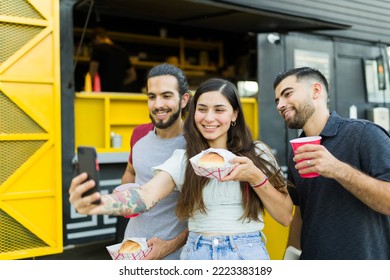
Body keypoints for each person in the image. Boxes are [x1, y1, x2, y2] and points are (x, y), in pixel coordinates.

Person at [69, 78, 293, 260]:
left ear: (234, 114)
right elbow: (146, 195)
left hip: (246, 252)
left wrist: (255, 177)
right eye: (202, 109)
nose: (209, 118)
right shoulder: (185, 159)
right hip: (197, 253)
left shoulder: (258, 153)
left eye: (219, 110)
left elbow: (284, 216)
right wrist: (100, 203)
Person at [273, 66, 390, 259]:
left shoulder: (364, 135)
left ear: (316, 90)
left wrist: (337, 169)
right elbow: (301, 215)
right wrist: (290, 258)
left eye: (287, 94)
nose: (280, 105)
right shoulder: (296, 152)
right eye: (277, 100)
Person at [117, 63, 191, 260]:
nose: (158, 104)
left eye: (166, 96)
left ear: (184, 100)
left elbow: (206, 217)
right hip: (132, 249)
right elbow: (131, 172)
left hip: (176, 255)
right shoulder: (139, 134)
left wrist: (168, 247)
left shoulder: (196, 145)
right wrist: (127, 195)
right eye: (152, 96)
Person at [89, 27, 137, 92]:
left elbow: (92, 73)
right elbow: (133, 76)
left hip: (102, 92)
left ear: (97, 37)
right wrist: (119, 84)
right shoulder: (122, 51)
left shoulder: (98, 49)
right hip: (118, 94)